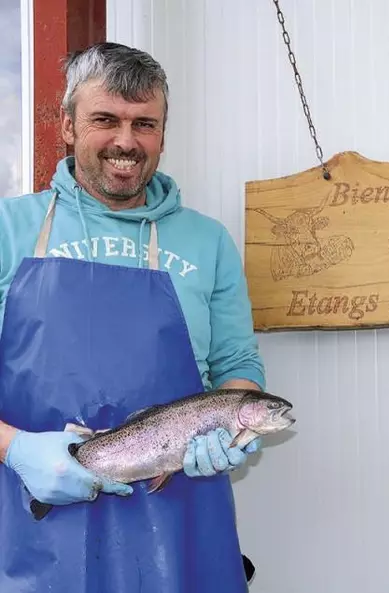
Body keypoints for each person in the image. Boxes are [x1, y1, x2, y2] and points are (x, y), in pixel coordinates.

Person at [0, 42, 267, 592]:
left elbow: (237, 362)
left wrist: (231, 426)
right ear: (68, 125)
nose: (126, 141)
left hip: (179, 510)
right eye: (106, 120)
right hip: (32, 511)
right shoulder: (9, 229)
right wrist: (15, 448)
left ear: (163, 135)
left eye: (145, 123)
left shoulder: (208, 241)